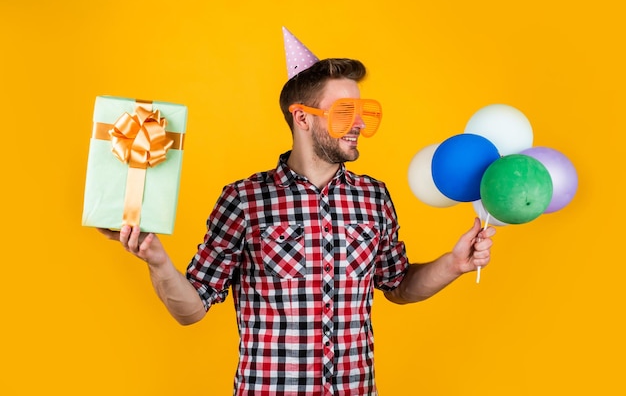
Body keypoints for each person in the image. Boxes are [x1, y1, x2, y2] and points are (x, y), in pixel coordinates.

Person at [99, 47, 495, 394]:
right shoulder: (244, 200)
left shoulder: (374, 197)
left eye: (363, 112)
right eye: (345, 113)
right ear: (302, 119)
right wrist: (157, 262)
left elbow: (398, 285)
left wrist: (455, 264)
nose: (359, 124)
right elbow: (191, 309)